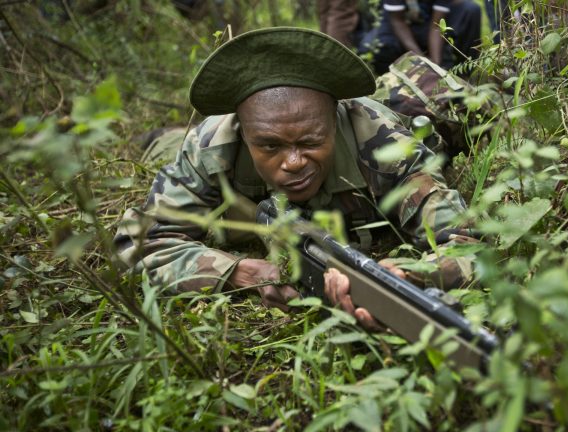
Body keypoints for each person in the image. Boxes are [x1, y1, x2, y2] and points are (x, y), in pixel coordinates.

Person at [115, 28, 476, 327]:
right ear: (243, 133)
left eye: (310, 142)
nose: (293, 162)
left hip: (393, 114)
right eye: (269, 146)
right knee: (162, 144)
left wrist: (407, 275)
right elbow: (138, 244)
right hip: (191, 145)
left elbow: (464, 242)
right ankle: (157, 137)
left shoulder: (383, 144)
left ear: (335, 122)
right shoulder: (212, 146)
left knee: (431, 99)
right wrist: (236, 271)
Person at [358, 0, 482, 75]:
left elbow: (436, 26)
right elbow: (397, 21)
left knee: (471, 9)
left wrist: (435, 65)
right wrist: (423, 61)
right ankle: (394, 78)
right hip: (399, 21)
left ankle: (465, 73)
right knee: (372, 47)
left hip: (429, 20)